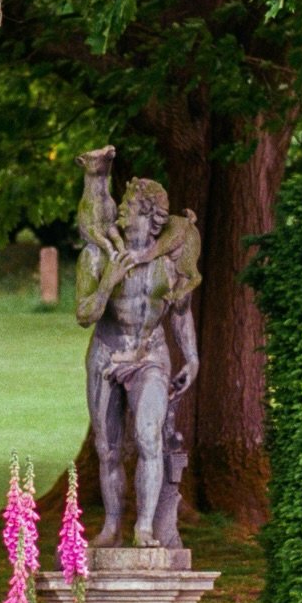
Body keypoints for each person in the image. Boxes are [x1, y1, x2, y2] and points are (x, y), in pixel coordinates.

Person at [75, 166, 201, 548]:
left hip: (150, 353)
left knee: (148, 438)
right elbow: (84, 315)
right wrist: (109, 283)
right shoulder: (98, 257)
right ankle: (112, 526)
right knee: (107, 448)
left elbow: (180, 310)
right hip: (107, 354)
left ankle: (144, 527)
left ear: (150, 216)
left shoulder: (169, 259)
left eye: (129, 207)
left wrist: (192, 358)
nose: (121, 213)